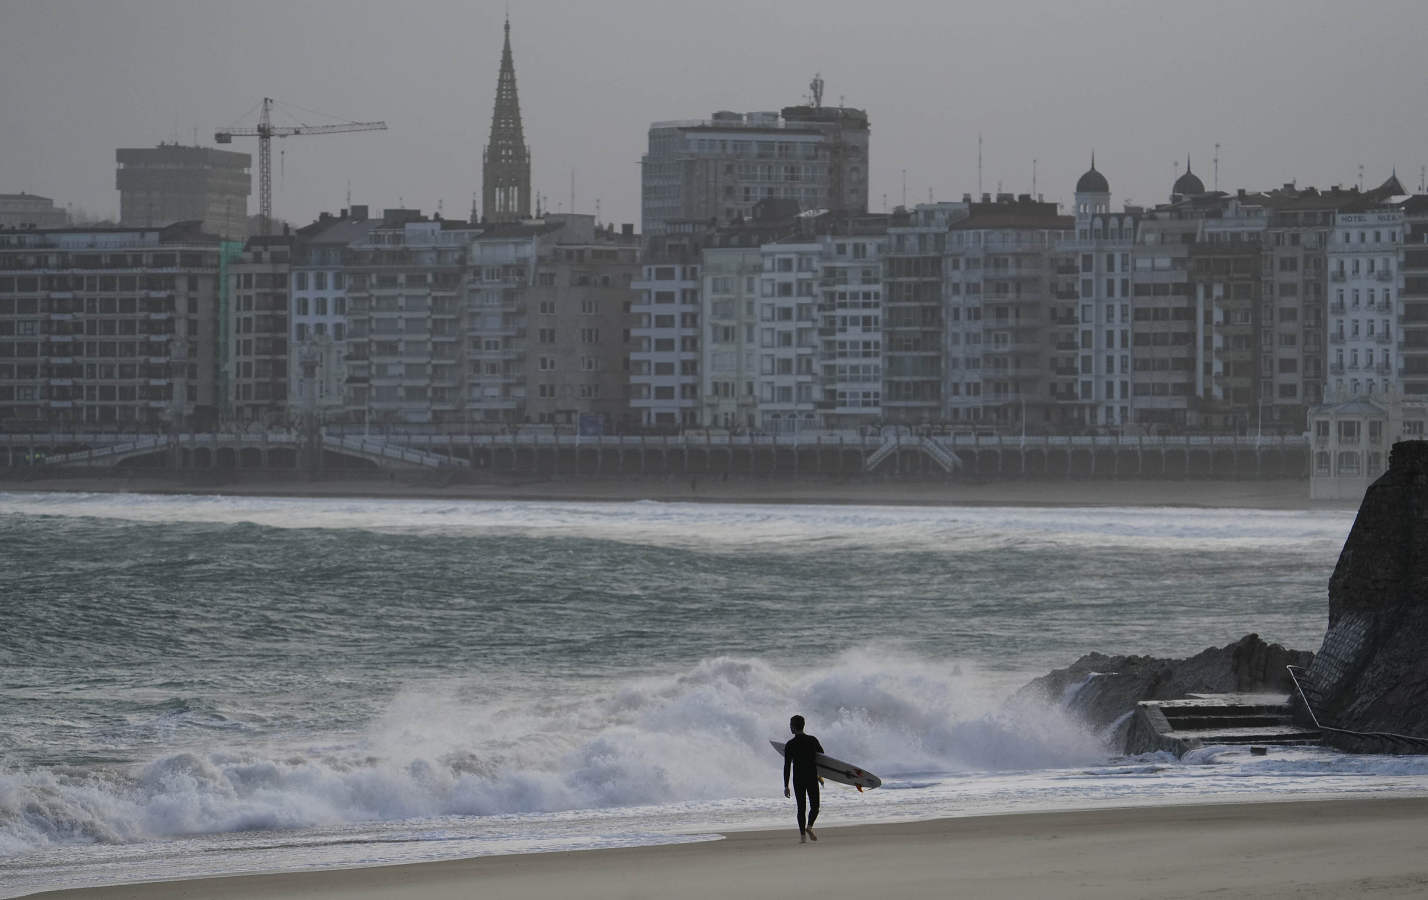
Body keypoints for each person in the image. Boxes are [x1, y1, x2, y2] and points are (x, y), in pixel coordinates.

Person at [782, 714, 824, 843]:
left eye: (790, 725)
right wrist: (820, 775)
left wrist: (786, 785)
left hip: (798, 779)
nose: (790, 727)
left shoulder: (790, 744)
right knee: (815, 806)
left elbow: (787, 766)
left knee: (801, 808)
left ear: (794, 727)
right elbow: (822, 758)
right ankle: (809, 827)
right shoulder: (812, 740)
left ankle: (802, 837)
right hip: (811, 776)